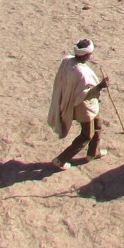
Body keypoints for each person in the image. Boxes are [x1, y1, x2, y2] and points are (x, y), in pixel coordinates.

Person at [48, 39, 108, 170]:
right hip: (83, 107)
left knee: (97, 124)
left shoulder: (67, 61)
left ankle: (93, 152)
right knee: (87, 135)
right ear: (86, 55)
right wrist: (100, 86)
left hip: (91, 105)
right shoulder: (82, 74)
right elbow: (84, 95)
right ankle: (61, 160)